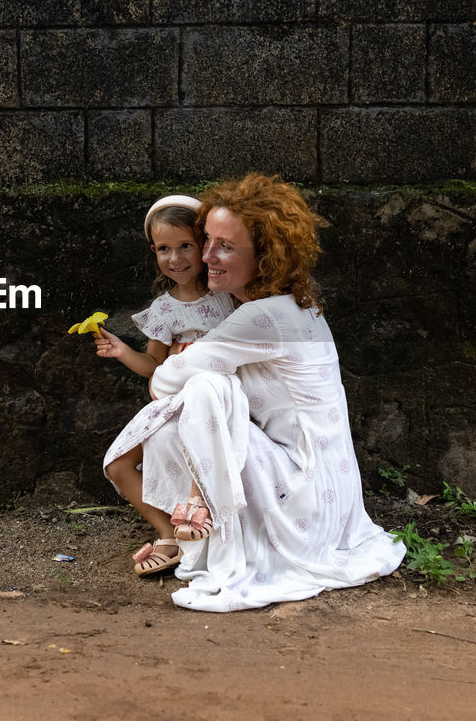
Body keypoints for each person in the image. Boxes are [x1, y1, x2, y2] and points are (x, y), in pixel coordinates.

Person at [102, 173, 405, 611]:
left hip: (305, 501)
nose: (207, 256)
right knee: (184, 414)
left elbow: (164, 382)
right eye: (205, 241)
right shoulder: (292, 303)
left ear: (266, 255)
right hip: (323, 493)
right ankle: (189, 533)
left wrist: (190, 360)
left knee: (207, 385)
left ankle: (201, 519)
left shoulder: (262, 316)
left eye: (225, 246)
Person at [91, 195, 235, 575]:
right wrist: (122, 351)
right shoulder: (163, 309)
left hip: (218, 403)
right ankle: (167, 535)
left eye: (185, 245)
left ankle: (199, 529)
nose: (176, 258)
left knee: (185, 449)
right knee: (118, 463)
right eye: (164, 249)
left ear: (203, 244)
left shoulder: (229, 296)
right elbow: (153, 366)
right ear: (153, 252)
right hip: (170, 401)